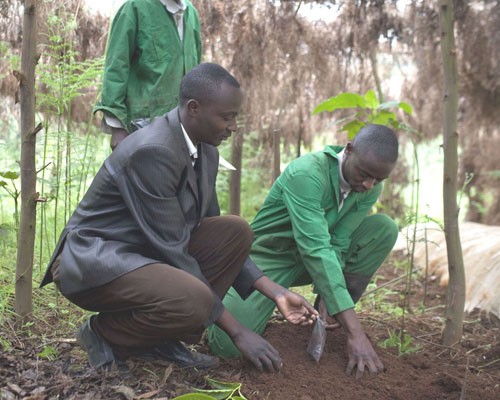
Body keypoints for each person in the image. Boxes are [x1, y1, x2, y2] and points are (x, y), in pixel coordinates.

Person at [41, 63, 317, 374]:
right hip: (95, 259)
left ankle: (159, 337)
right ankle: (102, 332)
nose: (233, 127)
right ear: (194, 108)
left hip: (141, 253)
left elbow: (210, 233)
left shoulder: (205, 152)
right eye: (227, 117)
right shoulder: (154, 150)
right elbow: (174, 249)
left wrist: (277, 291)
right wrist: (237, 331)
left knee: (235, 231)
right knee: (194, 297)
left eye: (235, 117)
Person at [208, 124, 399, 379]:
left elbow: (338, 243)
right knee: (226, 346)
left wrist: (328, 297)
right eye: (364, 174)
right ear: (349, 150)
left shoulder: (369, 186)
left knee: (383, 228)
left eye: (378, 179)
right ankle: (215, 308)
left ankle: (332, 313)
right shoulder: (308, 174)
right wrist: (357, 332)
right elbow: (317, 249)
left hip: (313, 258)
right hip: (271, 258)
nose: (369, 184)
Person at [94, 0, 203, 150]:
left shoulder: (191, 14)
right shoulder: (134, 8)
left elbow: (196, 69)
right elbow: (116, 67)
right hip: (143, 124)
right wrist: (118, 127)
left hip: (184, 126)